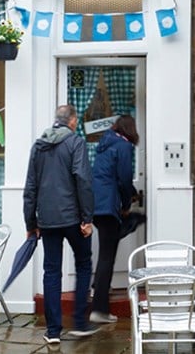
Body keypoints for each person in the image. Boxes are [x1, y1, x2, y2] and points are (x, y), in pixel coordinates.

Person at [24, 105, 98, 343]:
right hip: (74, 218)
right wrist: (87, 218)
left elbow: (30, 187)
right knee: (84, 264)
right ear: (73, 121)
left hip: (47, 220)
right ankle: (79, 322)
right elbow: (83, 180)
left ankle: (53, 331)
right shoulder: (75, 143)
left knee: (51, 271)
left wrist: (30, 223)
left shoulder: (38, 146)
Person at [86, 115, 139, 324]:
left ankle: (97, 288)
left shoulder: (105, 144)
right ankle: (99, 309)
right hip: (109, 207)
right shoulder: (124, 147)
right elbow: (124, 178)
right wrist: (127, 205)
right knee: (107, 256)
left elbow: (110, 175)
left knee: (105, 254)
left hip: (97, 204)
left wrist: (130, 193)